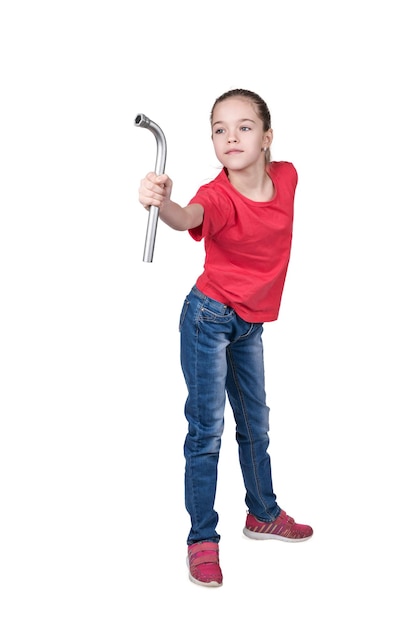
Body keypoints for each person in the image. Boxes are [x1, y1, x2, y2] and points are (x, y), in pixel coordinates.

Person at [138, 88, 313, 588]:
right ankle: (202, 541)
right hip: (208, 320)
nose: (231, 136)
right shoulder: (216, 196)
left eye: (244, 126)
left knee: (256, 422)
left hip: (249, 323)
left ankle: (262, 513)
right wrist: (162, 201)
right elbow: (188, 218)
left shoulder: (288, 176)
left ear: (267, 138)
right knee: (206, 431)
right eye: (219, 129)